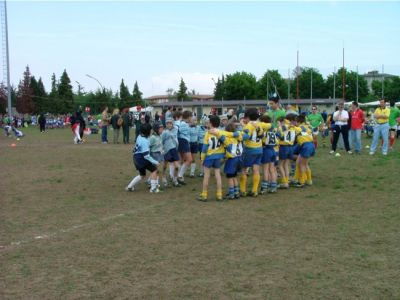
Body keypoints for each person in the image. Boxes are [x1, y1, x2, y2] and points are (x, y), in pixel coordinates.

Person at [125, 123, 160, 193]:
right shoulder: (145, 141)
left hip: (136, 157)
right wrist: (155, 162)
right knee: (154, 170)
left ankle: (129, 187)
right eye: (150, 130)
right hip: (141, 158)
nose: (151, 131)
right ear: (147, 132)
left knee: (142, 175)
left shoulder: (139, 136)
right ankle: (153, 189)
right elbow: (146, 156)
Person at [197, 115, 225, 202]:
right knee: (218, 175)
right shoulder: (221, 132)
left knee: (206, 176)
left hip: (209, 157)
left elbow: (204, 148)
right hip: (218, 157)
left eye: (209, 122)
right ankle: (219, 194)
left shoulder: (208, 133)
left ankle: (204, 195)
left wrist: (202, 158)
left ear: (211, 123)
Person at [240, 108, 264, 197]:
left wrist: (240, 132)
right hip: (259, 149)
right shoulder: (259, 125)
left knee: (243, 169)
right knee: (256, 170)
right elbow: (261, 135)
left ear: (248, 117)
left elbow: (246, 136)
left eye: (245, 117)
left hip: (249, 149)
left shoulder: (248, 126)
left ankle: (243, 190)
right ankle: (254, 190)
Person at [259, 115, 278, 194]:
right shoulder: (273, 131)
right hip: (273, 150)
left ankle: (264, 187)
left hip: (266, 150)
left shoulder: (264, 132)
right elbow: (276, 142)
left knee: (265, 170)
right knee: (272, 169)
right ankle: (273, 186)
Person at [161, 118, 181, 187]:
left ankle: (174, 179)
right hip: (167, 151)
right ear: (166, 124)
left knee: (177, 167)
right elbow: (161, 141)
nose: (169, 125)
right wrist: (162, 149)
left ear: (172, 124)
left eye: (170, 123)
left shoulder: (175, 130)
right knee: (165, 166)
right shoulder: (164, 132)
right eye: (167, 123)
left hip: (174, 150)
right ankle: (163, 177)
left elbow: (175, 139)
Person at [175, 110, 192, 184]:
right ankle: (180, 175)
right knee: (189, 160)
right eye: (191, 117)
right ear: (188, 117)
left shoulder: (183, 123)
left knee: (182, 160)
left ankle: (175, 176)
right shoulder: (183, 124)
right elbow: (177, 131)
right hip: (183, 141)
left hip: (181, 141)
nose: (192, 118)